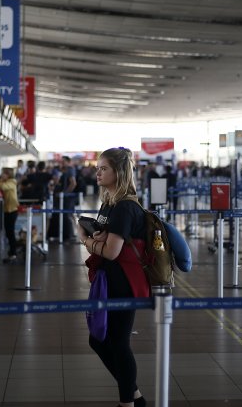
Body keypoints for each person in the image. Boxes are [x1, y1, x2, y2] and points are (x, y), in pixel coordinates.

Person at [80, 147, 148, 407]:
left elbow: (111, 252)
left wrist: (87, 241)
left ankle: (128, 402)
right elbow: (108, 239)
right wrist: (96, 234)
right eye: (98, 167)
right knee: (100, 339)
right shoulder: (108, 203)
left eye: (104, 168)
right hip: (109, 280)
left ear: (118, 172)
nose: (97, 172)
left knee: (117, 342)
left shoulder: (124, 207)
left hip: (124, 282)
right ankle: (134, 396)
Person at [0, 167, 19, 262]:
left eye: (3, 173)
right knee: (9, 232)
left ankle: (13, 253)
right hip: (8, 210)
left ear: (8, 174)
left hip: (12, 211)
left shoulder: (12, 181)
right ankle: (12, 252)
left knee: (11, 232)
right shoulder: (7, 181)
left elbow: (2, 186)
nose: (2, 175)